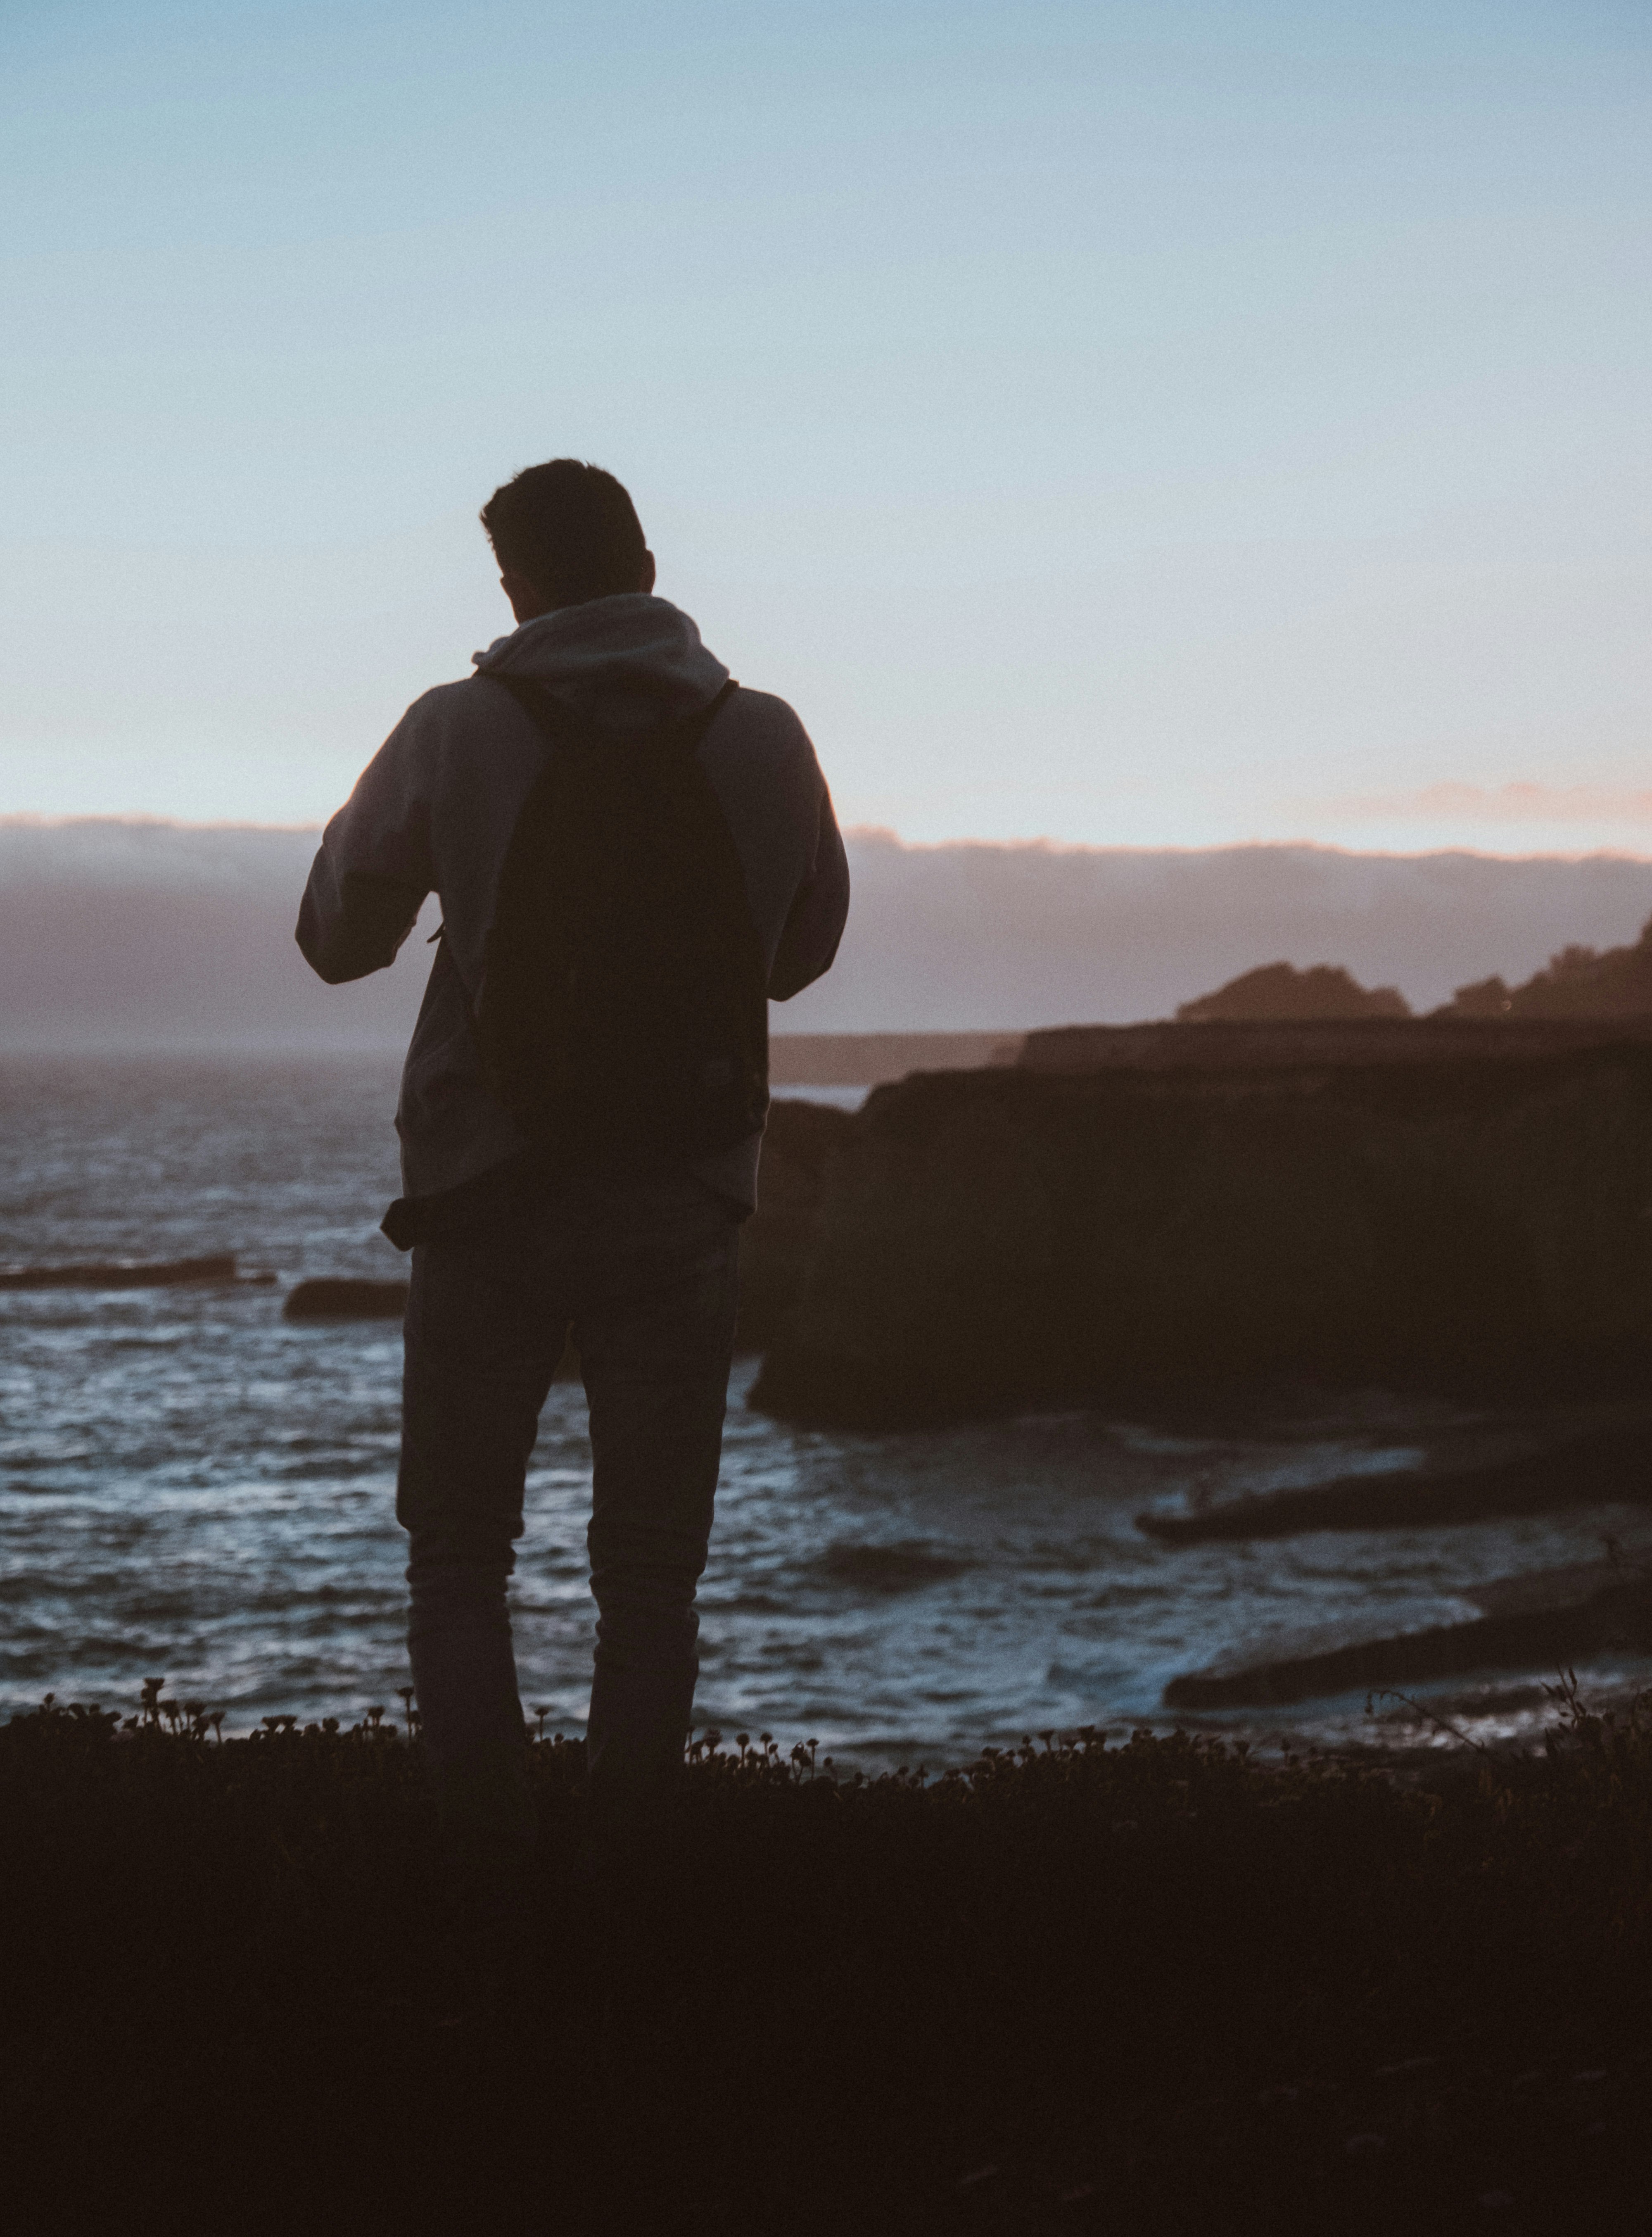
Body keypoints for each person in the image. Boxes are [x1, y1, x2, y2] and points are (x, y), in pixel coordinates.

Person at [297, 459, 849, 1859]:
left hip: (490, 1188)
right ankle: (627, 1891)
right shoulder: (764, 736)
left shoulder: (456, 726)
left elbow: (333, 940)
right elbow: (797, 959)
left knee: (462, 1556)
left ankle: (490, 1884)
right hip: (684, 1197)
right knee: (653, 1577)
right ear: (651, 564)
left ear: (515, 585)